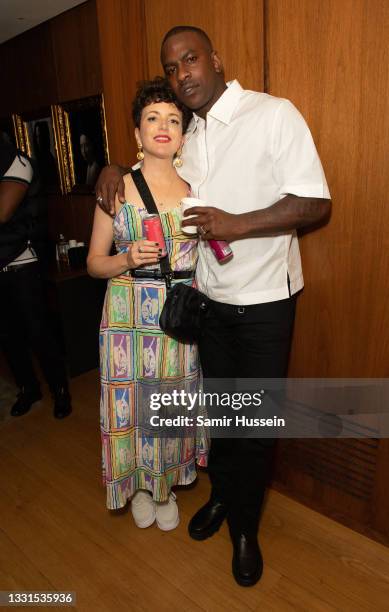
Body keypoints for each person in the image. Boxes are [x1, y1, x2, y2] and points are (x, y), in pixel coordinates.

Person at [95, 26, 331, 586]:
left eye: (190, 60)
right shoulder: (190, 134)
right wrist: (105, 169)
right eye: (172, 69)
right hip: (209, 308)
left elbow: (315, 202)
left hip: (266, 301)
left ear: (216, 60)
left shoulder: (273, 114)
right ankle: (225, 498)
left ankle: (246, 530)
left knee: (255, 425)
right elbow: (152, 170)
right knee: (221, 422)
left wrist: (238, 224)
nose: (182, 76)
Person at [87, 77, 208, 531]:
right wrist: (125, 257)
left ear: (182, 134)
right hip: (125, 317)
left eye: (173, 119)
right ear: (137, 133)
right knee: (131, 406)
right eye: (152, 118)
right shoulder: (116, 188)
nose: (163, 126)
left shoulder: (198, 188)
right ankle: (139, 487)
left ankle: (166, 485)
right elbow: (94, 263)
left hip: (176, 317)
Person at [0, 141, 71, 419]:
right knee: (7, 335)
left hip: (22, 262)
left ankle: (60, 390)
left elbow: (3, 211)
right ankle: (29, 389)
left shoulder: (17, 161)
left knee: (38, 331)